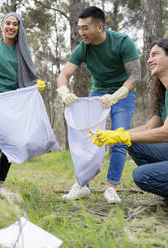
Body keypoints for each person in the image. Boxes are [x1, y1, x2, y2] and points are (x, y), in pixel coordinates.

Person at [56, 6, 141, 203]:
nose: (81, 32)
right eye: (79, 28)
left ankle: (111, 187)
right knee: (89, 140)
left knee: (119, 137)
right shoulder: (83, 48)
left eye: (85, 28)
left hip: (123, 93)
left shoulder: (122, 42)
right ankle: (83, 184)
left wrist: (118, 94)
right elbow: (64, 74)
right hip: (98, 94)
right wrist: (63, 91)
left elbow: (136, 74)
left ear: (100, 26)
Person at [90, 39, 168, 203]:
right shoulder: (164, 92)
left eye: (155, 54)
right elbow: (149, 127)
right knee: (132, 142)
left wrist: (122, 137)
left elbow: (164, 133)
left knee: (141, 175)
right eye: (148, 55)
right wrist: (115, 134)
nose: (148, 60)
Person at [0, 12, 45, 201]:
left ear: (19, 28)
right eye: (7, 23)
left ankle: (0, 184)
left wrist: (35, 84)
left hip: (16, 100)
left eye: (15, 24)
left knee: (13, 142)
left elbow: (28, 74)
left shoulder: (23, 49)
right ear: (2, 26)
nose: (11, 27)